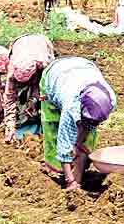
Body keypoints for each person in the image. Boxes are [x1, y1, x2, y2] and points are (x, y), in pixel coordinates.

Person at [39, 56, 116, 190]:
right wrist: (70, 181)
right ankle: (65, 175)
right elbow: (64, 143)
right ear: (80, 108)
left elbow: (90, 124)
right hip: (55, 74)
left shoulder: (109, 99)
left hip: (84, 67)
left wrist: (78, 143)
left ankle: (79, 175)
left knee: (85, 141)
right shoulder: (70, 107)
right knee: (54, 130)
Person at [2, 34, 55, 142]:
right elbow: (9, 99)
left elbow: (47, 91)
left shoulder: (45, 66)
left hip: (41, 44)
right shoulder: (12, 72)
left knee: (45, 98)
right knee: (21, 99)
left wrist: (37, 100)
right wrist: (10, 125)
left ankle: (46, 123)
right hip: (20, 45)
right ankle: (26, 118)